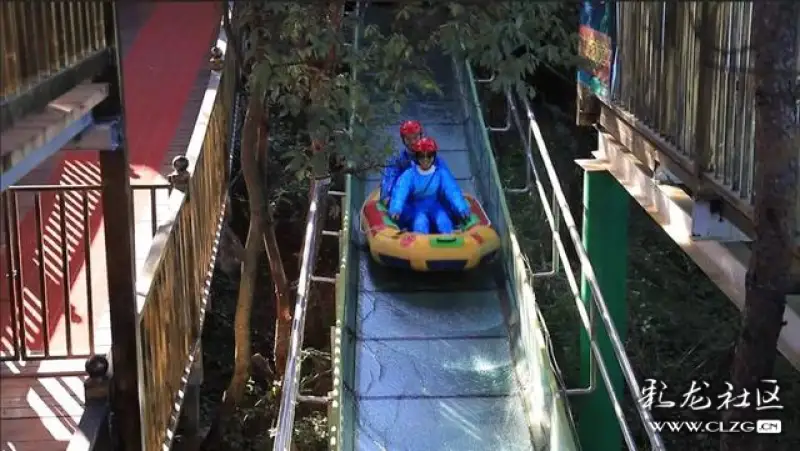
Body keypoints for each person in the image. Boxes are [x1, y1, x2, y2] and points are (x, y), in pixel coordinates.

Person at [388, 137, 471, 234]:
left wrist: (461, 207)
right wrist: (396, 208)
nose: (425, 159)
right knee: (420, 223)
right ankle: (421, 241)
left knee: (444, 222)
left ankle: (448, 239)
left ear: (434, 156)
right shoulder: (410, 174)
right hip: (417, 207)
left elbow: (452, 190)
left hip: (435, 206)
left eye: (429, 156)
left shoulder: (440, 173)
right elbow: (401, 191)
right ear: (417, 157)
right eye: (421, 156)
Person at [379, 120, 454, 204]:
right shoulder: (397, 160)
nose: (413, 142)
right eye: (408, 139)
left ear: (421, 136)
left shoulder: (435, 160)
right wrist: (387, 195)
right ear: (403, 139)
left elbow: (447, 180)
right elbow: (389, 179)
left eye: (415, 138)